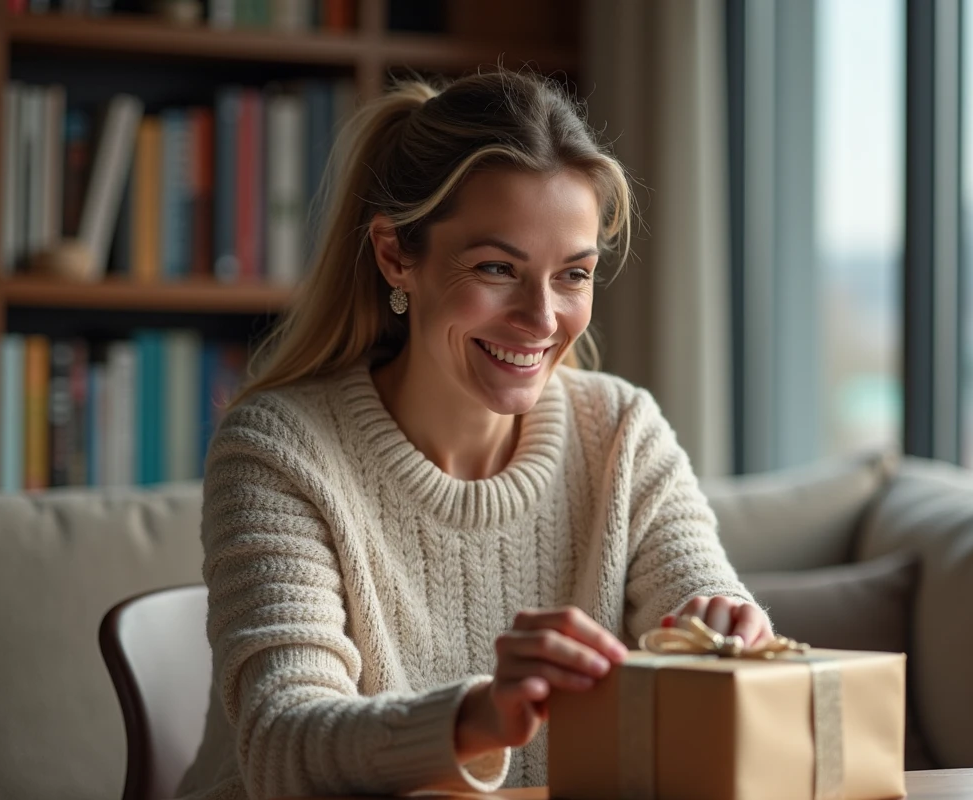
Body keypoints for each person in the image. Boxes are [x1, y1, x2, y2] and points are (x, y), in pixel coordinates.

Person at [176, 68, 770, 800]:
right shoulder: (277, 450)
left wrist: (727, 633)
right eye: (497, 268)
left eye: (573, 275)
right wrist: (480, 715)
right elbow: (284, 743)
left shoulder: (623, 433)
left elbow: (703, 603)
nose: (543, 318)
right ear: (397, 254)